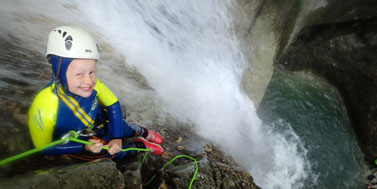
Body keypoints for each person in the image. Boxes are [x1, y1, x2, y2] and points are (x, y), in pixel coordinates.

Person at [27, 26, 163, 160]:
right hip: (82, 141)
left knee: (123, 127)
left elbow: (113, 104)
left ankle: (141, 131)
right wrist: (84, 147)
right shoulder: (43, 106)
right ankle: (139, 145)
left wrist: (117, 137)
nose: (88, 81)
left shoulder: (94, 84)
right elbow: (43, 148)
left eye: (92, 72)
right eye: (79, 74)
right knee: (107, 153)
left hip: (98, 123)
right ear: (59, 73)